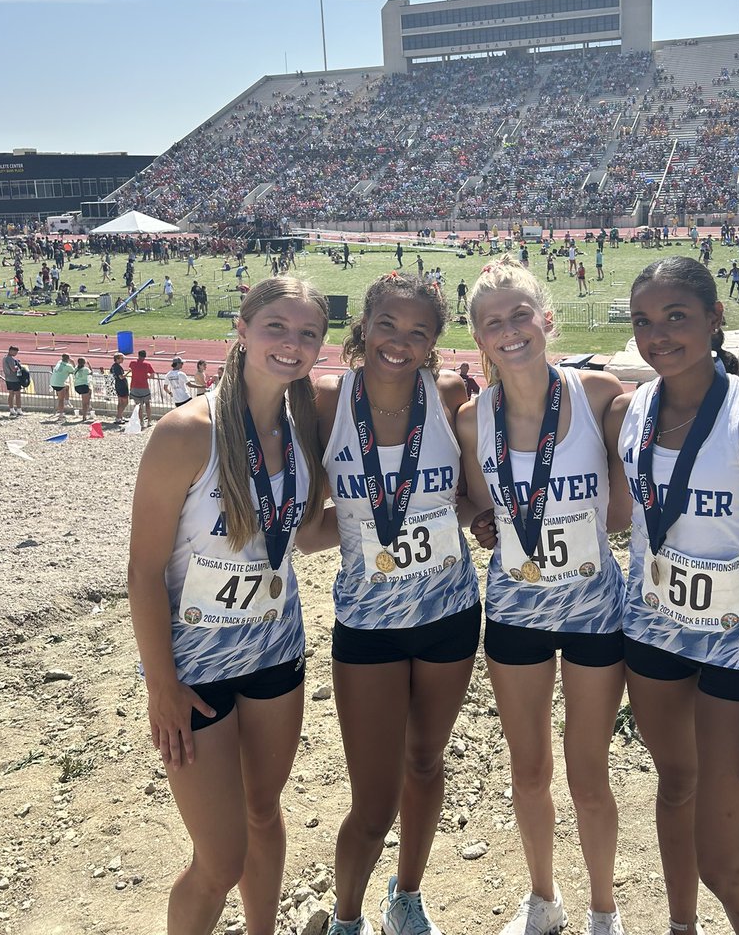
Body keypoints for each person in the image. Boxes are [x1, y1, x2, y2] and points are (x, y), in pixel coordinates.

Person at [608, 257, 739, 935]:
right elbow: (616, 509)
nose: (658, 336)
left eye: (676, 317)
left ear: (714, 318)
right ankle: (681, 926)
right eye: (643, 321)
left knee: (723, 862)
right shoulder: (631, 410)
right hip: (652, 634)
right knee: (674, 786)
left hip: (734, 648)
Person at [128, 277, 332, 935]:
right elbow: (143, 572)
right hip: (194, 672)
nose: (292, 343)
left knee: (264, 812)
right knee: (220, 860)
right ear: (241, 331)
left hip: (275, 653)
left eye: (307, 333)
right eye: (277, 327)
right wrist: (161, 685)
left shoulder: (303, 432)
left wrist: (426, 513)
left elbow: (302, 534)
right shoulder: (186, 433)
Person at [457, 256, 628, 935]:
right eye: (493, 322)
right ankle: (542, 899)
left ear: (546, 319)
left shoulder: (597, 395)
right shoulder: (472, 420)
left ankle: (604, 911)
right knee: (528, 770)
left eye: (520, 314)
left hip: (595, 612)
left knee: (589, 775)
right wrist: (484, 522)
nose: (510, 331)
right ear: (479, 337)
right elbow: (479, 506)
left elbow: (622, 509)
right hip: (515, 612)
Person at [316, 272, 480, 935]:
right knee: (372, 804)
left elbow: (468, 500)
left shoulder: (449, 395)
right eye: (387, 324)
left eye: (418, 332)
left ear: (434, 342)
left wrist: (476, 518)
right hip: (368, 624)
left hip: (450, 615)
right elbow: (306, 518)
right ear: (364, 326)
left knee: (426, 762)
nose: (399, 342)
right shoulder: (327, 401)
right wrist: (365, 527)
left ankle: (406, 897)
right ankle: (347, 919)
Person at [129, 350, 156, 428]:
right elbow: (152, 375)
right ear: (145, 356)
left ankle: (141, 422)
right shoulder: (147, 364)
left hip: (134, 386)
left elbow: (130, 369)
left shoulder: (132, 363)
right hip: (144, 387)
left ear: (138, 355)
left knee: (138, 405)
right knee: (147, 404)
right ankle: (149, 421)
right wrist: (147, 376)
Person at [50, 353, 76, 420]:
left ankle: (67, 401)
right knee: (61, 400)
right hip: (59, 384)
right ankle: (61, 414)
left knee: (67, 386)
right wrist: (73, 363)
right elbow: (75, 371)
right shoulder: (68, 366)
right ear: (68, 359)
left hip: (53, 382)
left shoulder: (59, 362)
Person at [3, 344, 24, 417]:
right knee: (18, 395)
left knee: (11, 394)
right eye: (15, 352)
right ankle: (19, 409)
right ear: (11, 351)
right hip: (14, 379)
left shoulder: (5, 358)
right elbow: (13, 369)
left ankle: (11, 409)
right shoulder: (10, 359)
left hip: (8, 379)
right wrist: (19, 366)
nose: (16, 354)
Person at [110, 353, 130, 424]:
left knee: (120, 402)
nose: (123, 359)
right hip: (122, 385)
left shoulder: (113, 366)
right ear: (117, 359)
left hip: (118, 385)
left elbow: (111, 372)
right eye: (121, 358)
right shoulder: (117, 367)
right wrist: (128, 372)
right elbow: (121, 377)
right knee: (125, 402)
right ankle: (118, 416)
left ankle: (120, 416)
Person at [73, 356, 94, 422]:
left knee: (90, 391)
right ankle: (84, 416)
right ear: (84, 363)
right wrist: (89, 364)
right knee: (84, 403)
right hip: (84, 386)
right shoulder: (86, 369)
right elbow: (91, 373)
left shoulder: (75, 369)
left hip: (77, 386)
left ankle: (88, 404)